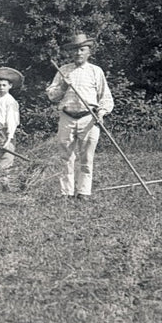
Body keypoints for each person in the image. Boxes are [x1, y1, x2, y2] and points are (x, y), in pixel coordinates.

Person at [45, 33, 114, 201]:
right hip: (67, 117)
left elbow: (106, 97)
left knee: (86, 157)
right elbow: (51, 96)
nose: (78, 53)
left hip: (89, 118)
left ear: (89, 52)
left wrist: (102, 113)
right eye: (75, 50)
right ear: (71, 53)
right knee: (66, 157)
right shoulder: (63, 70)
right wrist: (62, 85)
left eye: (82, 50)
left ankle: (84, 192)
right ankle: (66, 193)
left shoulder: (95, 71)